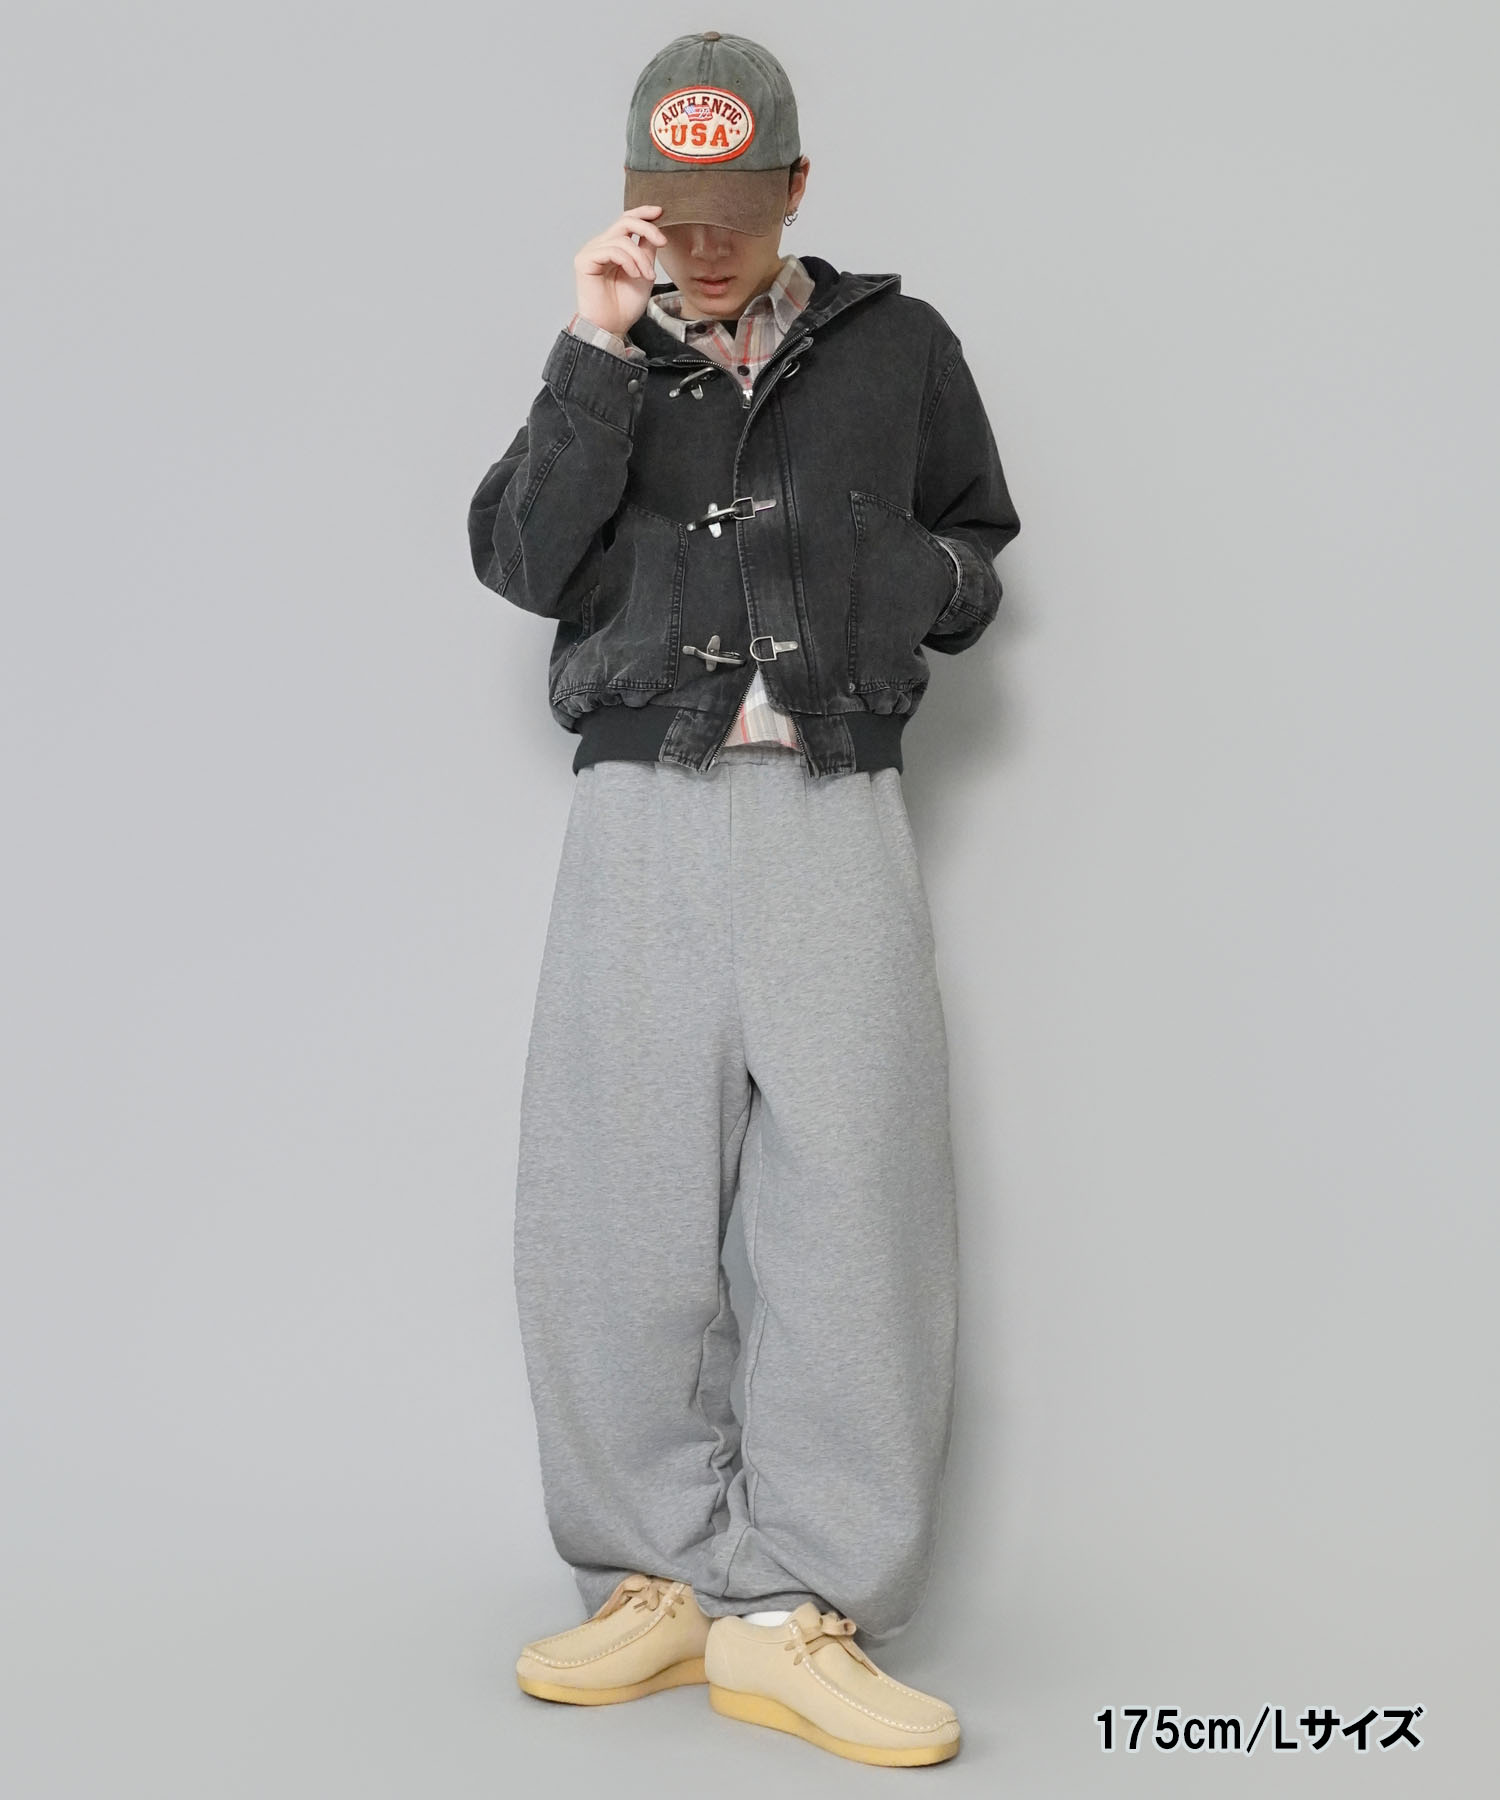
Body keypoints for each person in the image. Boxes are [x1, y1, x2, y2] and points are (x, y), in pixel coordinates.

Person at [465, 30, 1020, 1769]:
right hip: (642, 803)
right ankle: (650, 1579)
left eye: (731, 211)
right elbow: (521, 559)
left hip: (832, 804)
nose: (700, 246)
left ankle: (792, 1612)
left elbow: (978, 548)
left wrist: (903, 581)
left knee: (857, 1198)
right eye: (669, 213)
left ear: (794, 187)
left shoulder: (900, 346)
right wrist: (589, 345)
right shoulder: (611, 358)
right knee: (609, 1194)